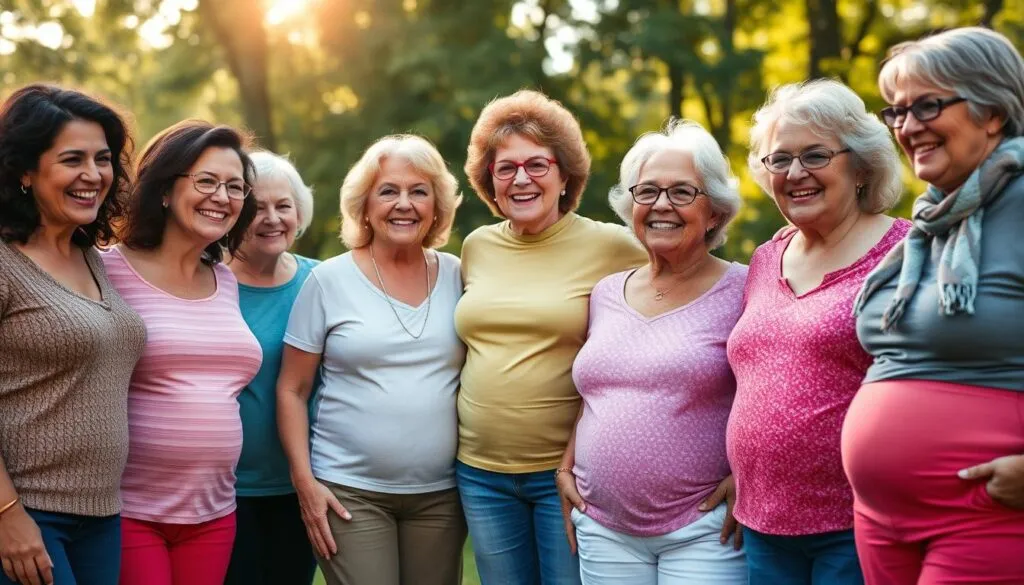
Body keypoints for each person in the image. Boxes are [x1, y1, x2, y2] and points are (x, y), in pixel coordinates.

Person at [846, 26, 1024, 585]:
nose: (908, 127)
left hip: (984, 517)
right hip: (880, 520)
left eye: (927, 105)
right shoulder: (933, 223)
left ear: (991, 111)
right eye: (896, 112)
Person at [455, 89, 647, 585]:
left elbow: (688, 292)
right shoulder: (476, 247)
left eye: (538, 164)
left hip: (565, 473)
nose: (522, 179)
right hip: (479, 473)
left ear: (565, 176)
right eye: (506, 168)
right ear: (489, 182)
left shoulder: (613, 246)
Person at [725, 79, 910, 585]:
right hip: (762, 522)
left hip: (857, 522)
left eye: (815, 156)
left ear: (860, 165)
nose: (795, 173)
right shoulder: (765, 259)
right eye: (779, 160)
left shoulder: (907, 253)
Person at [556, 120, 747, 585]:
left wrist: (750, 475)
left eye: (682, 192)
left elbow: (772, 388)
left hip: (702, 529)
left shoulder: (746, 287)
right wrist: (566, 466)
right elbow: (599, 392)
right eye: (648, 192)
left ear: (716, 212)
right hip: (603, 527)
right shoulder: (604, 293)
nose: (662, 205)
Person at [278, 134, 466, 585]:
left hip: (442, 495)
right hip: (349, 493)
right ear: (364, 205)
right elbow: (292, 389)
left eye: (418, 191)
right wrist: (305, 484)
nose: (404, 204)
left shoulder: (461, 275)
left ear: (437, 206)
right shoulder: (329, 280)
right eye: (389, 191)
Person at [103, 120, 263, 585]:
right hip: (132, 507)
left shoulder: (226, 278)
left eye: (235, 186)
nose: (222, 196)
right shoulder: (106, 269)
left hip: (213, 509)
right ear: (165, 190)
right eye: (206, 181)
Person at [0, 85, 146, 585]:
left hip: (101, 515)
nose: (93, 175)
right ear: (24, 170)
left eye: (102, 159)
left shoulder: (92, 256)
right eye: (72, 159)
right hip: (26, 515)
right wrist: (7, 515)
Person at [224, 151, 319, 585]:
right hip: (223, 490)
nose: (271, 218)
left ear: (299, 213)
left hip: (302, 485)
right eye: (256, 207)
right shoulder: (206, 281)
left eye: (283, 206)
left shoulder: (321, 282)